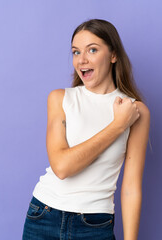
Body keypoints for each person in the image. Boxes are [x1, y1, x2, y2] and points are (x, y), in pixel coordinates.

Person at [22, 19, 150, 240]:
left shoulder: (136, 112)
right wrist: (117, 125)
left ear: (113, 55)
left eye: (92, 50)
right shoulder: (60, 99)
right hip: (43, 216)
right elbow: (62, 167)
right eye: (75, 52)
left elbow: (130, 188)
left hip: (94, 225)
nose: (82, 60)